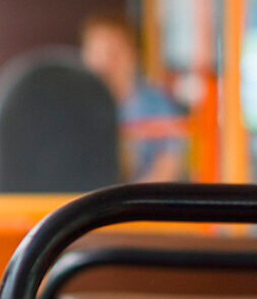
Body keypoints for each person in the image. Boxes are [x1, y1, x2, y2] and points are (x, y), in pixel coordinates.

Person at [80, 11, 186, 182]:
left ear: (133, 54)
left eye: (113, 51)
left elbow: (169, 164)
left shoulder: (157, 105)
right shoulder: (75, 105)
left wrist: (130, 203)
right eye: (96, 52)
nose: (104, 62)